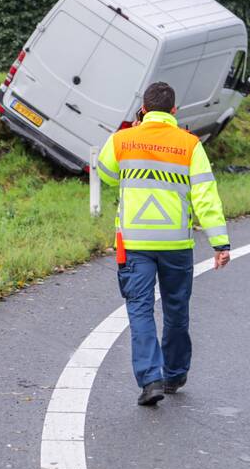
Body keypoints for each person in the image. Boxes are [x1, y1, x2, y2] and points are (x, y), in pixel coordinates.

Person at [97, 82, 231, 405]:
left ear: (143, 109)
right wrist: (219, 243)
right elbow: (205, 196)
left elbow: (104, 172)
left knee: (140, 309)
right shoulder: (190, 145)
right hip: (176, 246)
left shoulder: (123, 140)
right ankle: (174, 374)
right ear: (174, 111)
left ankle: (150, 379)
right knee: (175, 309)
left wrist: (132, 143)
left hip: (134, 244)